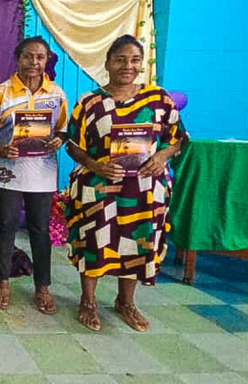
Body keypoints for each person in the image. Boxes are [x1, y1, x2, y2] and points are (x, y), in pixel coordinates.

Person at [65, 34, 187, 332]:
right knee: (94, 242)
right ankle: (88, 301)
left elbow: (178, 139)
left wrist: (162, 157)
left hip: (144, 189)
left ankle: (126, 302)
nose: (127, 66)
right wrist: (95, 165)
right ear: (107, 63)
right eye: (120, 60)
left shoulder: (158, 99)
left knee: (137, 242)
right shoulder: (89, 102)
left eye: (134, 60)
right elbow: (72, 145)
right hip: (99, 187)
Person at [0, 36, 68, 314]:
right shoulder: (0, 93)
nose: (34, 62)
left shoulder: (56, 94)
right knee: (7, 226)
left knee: (40, 229)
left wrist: (60, 140)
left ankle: (43, 287)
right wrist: (0, 149)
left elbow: (63, 129)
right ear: (18, 59)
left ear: (46, 60)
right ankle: (2, 282)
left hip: (42, 172)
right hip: (8, 170)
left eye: (40, 57)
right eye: (28, 56)